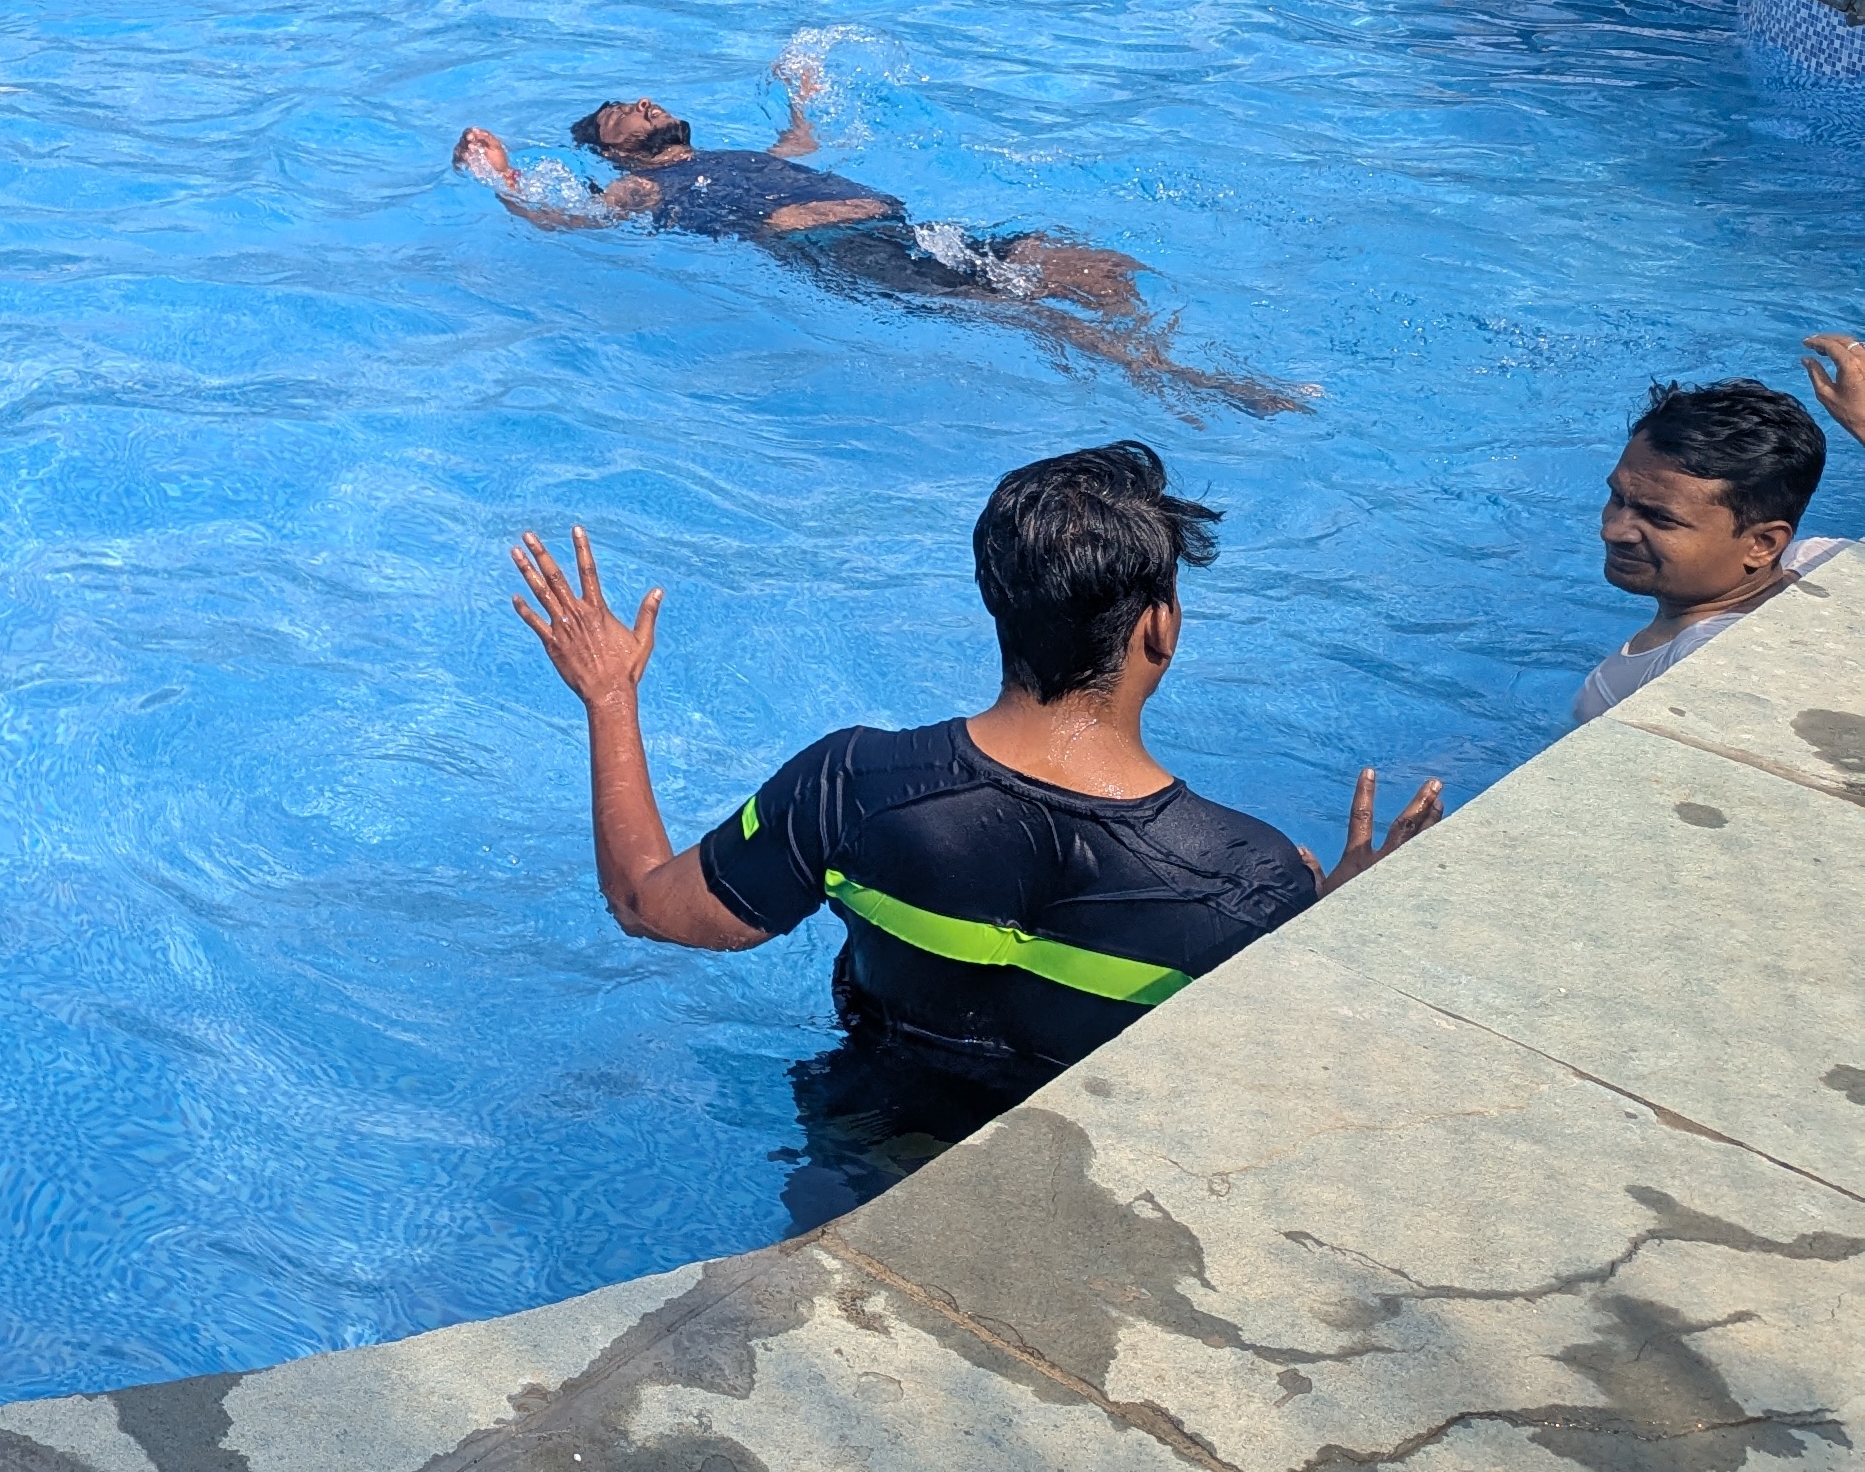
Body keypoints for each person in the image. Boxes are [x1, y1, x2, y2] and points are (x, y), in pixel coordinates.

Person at [507, 444, 1439, 1171]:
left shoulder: (854, 785)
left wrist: (610, 697)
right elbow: (1293, 1089)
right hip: (1078, 1188)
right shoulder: (1250, 877)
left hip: (856, 1156)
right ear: (1161, 626)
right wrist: (1333, 934)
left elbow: (645, 903)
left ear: (995, 604)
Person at [452, 58, 1301, 416]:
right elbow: (574, 223)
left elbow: (801, 149)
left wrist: (801, 95)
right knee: (1028, 314)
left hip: (901, 227)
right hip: (839, 256)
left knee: (1079, 259)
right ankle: (1196, 382)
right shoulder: (643, 184)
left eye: (641, 97)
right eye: (620, 116)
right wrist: (503, 179)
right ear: (613, 150)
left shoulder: (731, 152)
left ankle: (1159, 343)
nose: (641, 105)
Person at [1573, 374, 1845, 723]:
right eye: (1618, 497)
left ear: (1763, 545)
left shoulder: (1707, 661)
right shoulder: (1822, 557)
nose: (1612, 531)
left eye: (1659, 518)